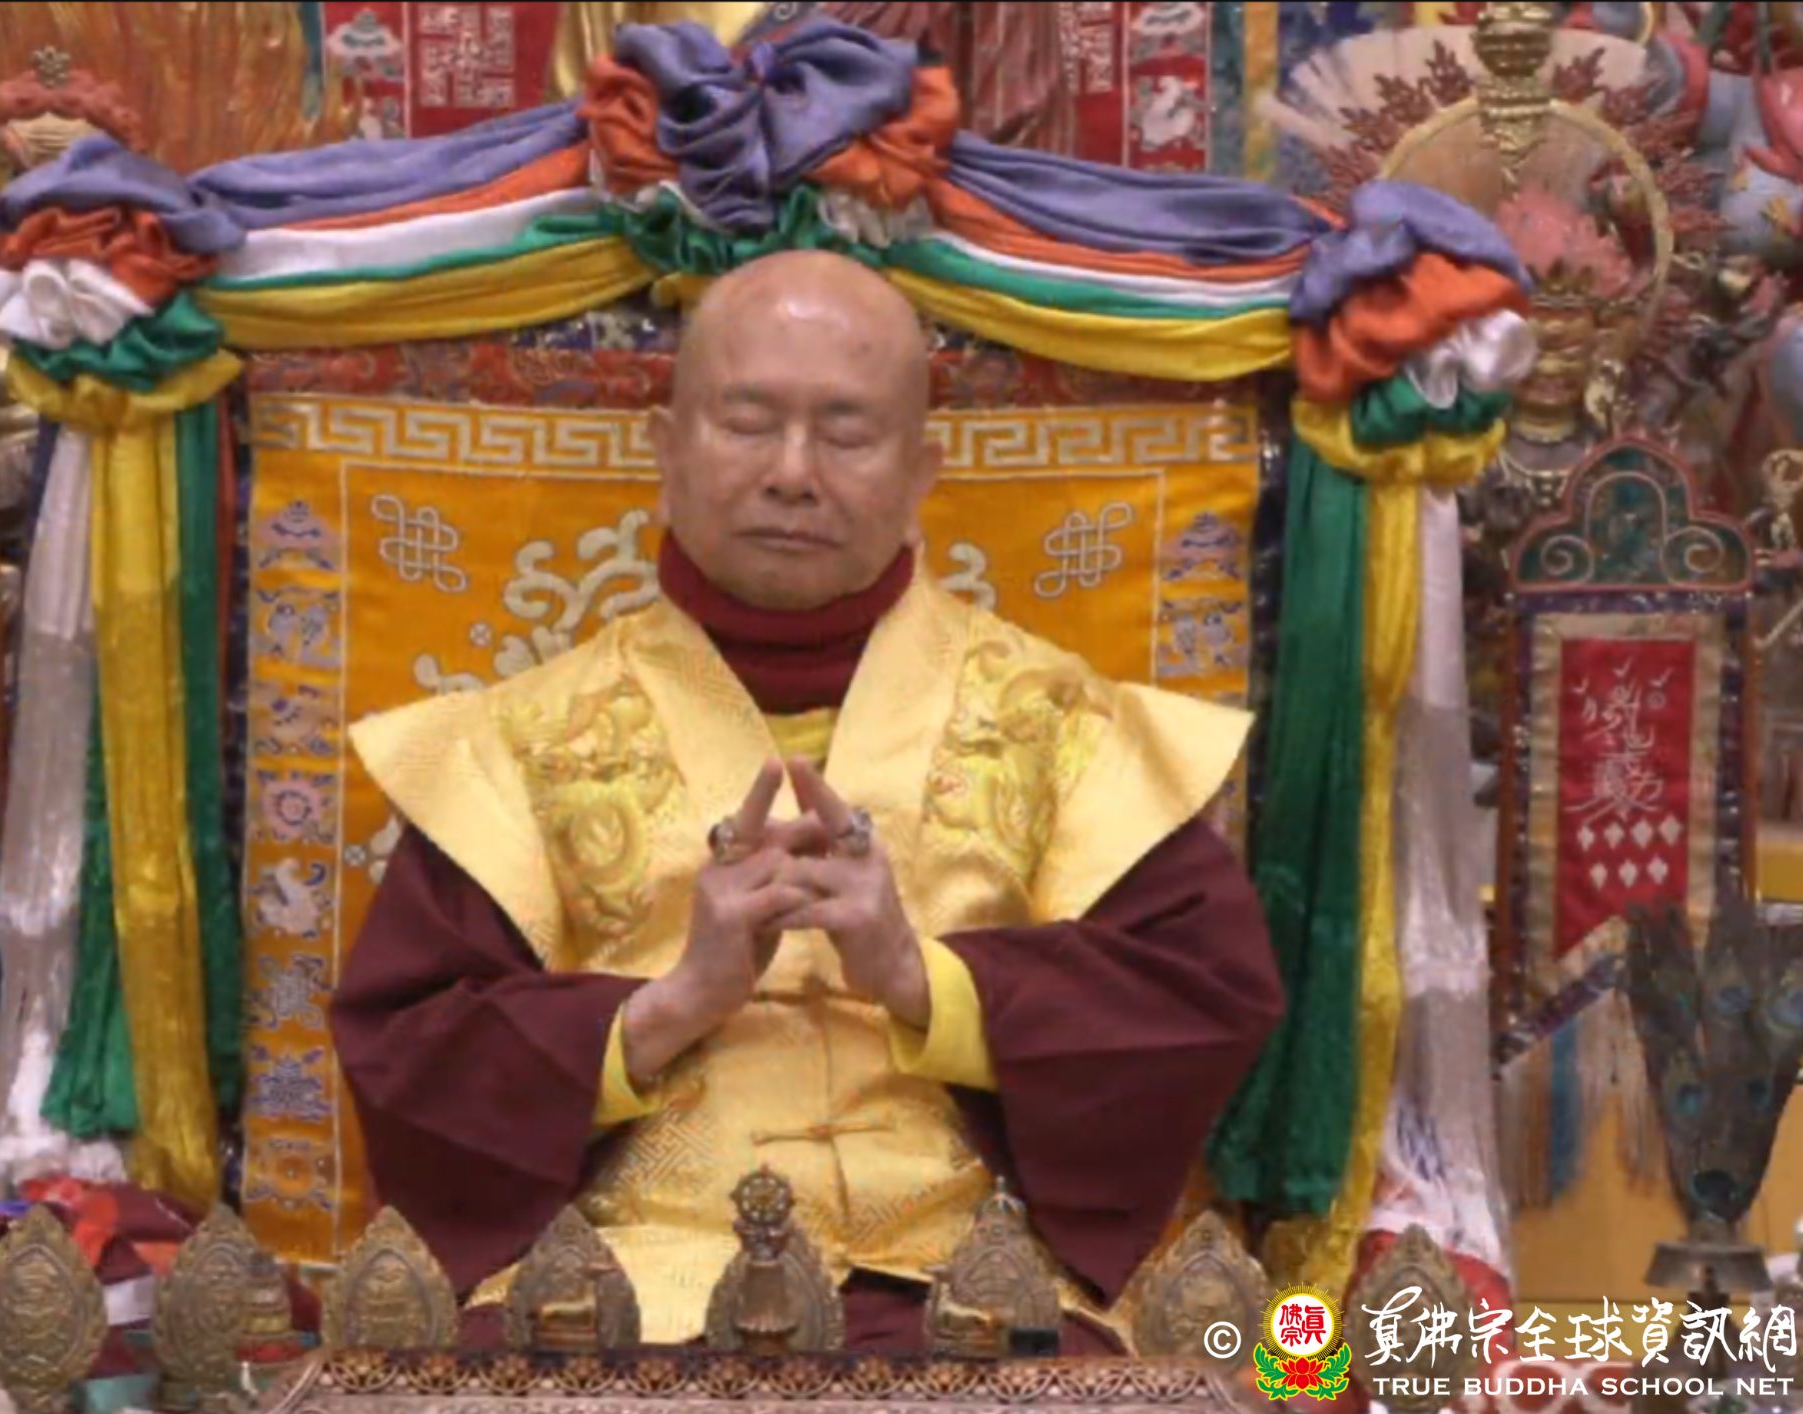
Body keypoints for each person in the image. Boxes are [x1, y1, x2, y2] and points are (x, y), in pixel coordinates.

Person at [330, 250, 1284, 1352]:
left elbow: (1197, 999)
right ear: (664, 449)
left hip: (967, 1285)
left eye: (845, 433)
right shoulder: (521, 737)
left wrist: (923, 982)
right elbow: (411, 1050)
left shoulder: (1058, 722)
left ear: (921, 470)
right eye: (747, 423)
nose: (792, 474)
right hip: (624, 1285)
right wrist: (667, 1008)